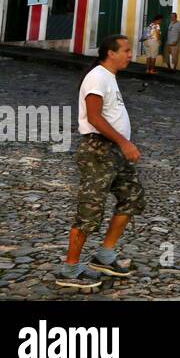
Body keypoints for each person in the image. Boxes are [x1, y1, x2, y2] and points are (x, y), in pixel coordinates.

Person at [56, 35, 145, 290]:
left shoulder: (109, 78)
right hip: (98, 150)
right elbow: (94, 117)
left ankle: (104, 256)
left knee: (132, 197)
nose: (130, 55)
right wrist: (124, 142)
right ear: (111, 53)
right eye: (126, 51)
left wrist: (122, 144)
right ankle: (69, 269)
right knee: (90, 210)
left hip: (115, 150)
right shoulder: (97, 76)